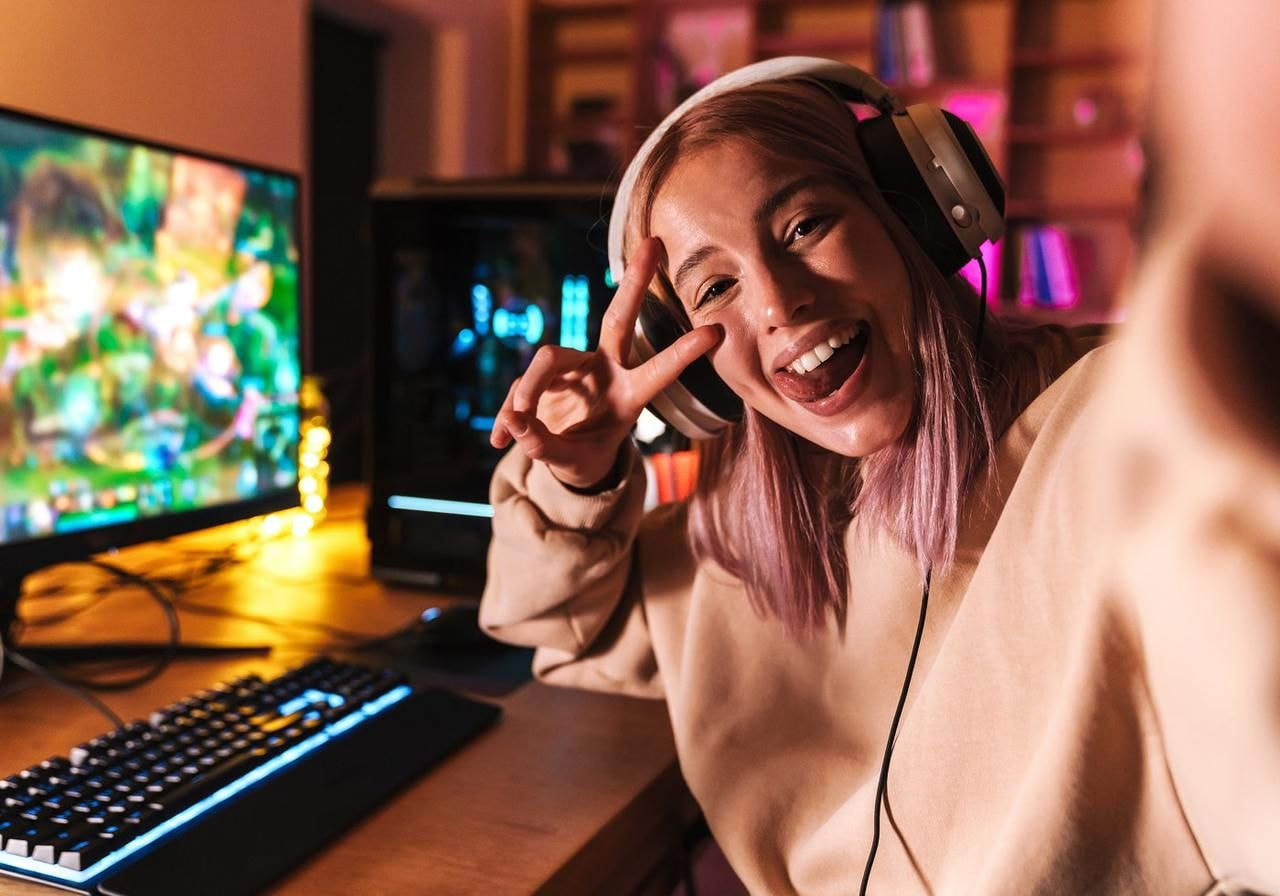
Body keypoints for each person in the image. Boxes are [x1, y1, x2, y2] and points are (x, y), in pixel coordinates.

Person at [480, 50, 1278, 896]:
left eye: (802, 227)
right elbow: (557, 632)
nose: (780, 304)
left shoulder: (1119, 433)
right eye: (714, 287)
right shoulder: (737, 544)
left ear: (919, 214)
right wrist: (581, 476)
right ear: (691, 373)